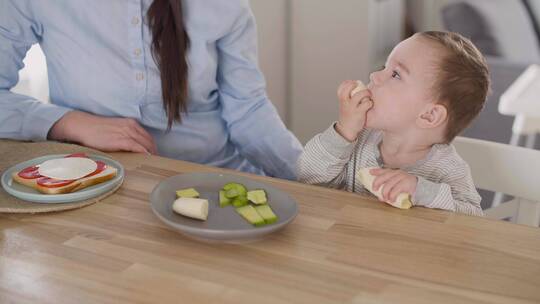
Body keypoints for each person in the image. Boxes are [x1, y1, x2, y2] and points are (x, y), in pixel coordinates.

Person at [0, 0, 302, 180]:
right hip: (101, 192)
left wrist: (314, 176)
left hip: (218, 182)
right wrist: (67, 123)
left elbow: (249, 111)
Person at [297, 31, 490, 216]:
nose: (374, 76)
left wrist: (421, 191)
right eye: (384, 67)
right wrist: (343, 131)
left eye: (395, 74)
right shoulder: (357, 141)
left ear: (429, 115)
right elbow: (307, 177)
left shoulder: (448, 169)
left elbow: (473, 220)